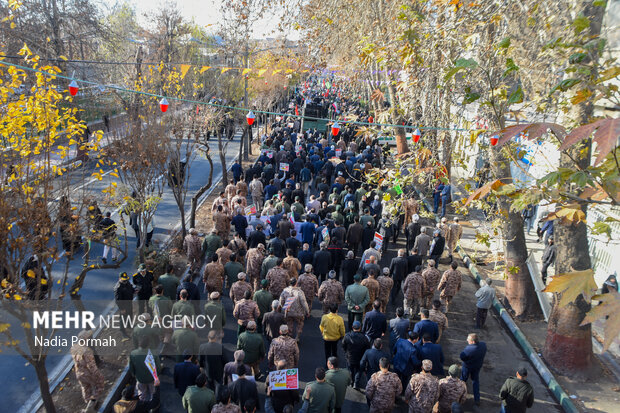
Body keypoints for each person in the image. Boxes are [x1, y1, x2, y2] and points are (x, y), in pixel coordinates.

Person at [70, 330, 105, 411]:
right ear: (86, 339)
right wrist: (98, 375)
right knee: (99, 385)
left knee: (85, 388)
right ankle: (91, 405)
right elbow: (91, 366)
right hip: (87, 373)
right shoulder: (86, 351)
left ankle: (88, 402)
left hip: (78, 372)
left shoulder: (74, 347)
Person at [129, 336, 161, 403]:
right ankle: (153, 404)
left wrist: (134, 374)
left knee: (141, 392)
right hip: (151, 378)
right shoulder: (153, 353)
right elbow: (158, 367)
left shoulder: (133, 353)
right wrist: (157, 377)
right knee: (153, 392)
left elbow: (131, 367)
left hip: (140, 378)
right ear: (148, 345)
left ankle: (141, 403)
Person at [460, 333, 487, 406]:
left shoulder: (469, 349)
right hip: (477, 366)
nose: (467, 340)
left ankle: (459, 396)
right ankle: (477, 399)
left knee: (463, 381)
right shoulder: (483, 345)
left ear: (472, 342)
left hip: (467, 367)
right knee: (475, 381)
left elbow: (462, 357)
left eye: (468, 339)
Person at [342, 320, 370, 389]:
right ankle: (356, 383)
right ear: (360, 328)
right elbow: (367, 348)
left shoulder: (347, 336)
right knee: (358, 371)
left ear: (352, 327)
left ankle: (351, 381)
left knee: (350, 370)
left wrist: (346, 352)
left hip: (350, 357)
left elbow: (343, 345)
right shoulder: (364, 338)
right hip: (360, 358)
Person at [114, 272, 135, 339]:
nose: (125, 281)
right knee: (123, 319)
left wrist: (134, 291)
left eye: (126, 279)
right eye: (123, 280)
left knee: (130, 314)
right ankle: (123, 332)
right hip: (123, 306)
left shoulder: (127, 282)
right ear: (119, 279)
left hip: (129, 302)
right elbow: (118, 300)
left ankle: (129, 325)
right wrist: (122, 309)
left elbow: (131, 289)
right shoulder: (118, 288)